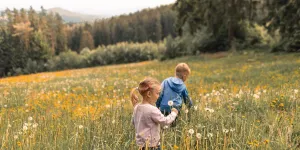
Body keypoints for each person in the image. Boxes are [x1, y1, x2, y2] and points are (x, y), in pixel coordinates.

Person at [130, 77, 178, 150]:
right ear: (149, 94)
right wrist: (174, 113)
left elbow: (133, 122)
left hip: (141, 146)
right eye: (157, 93)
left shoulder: (136, 107)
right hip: (152, 145)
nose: (159, 96)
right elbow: (165, 121)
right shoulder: (152, 110)